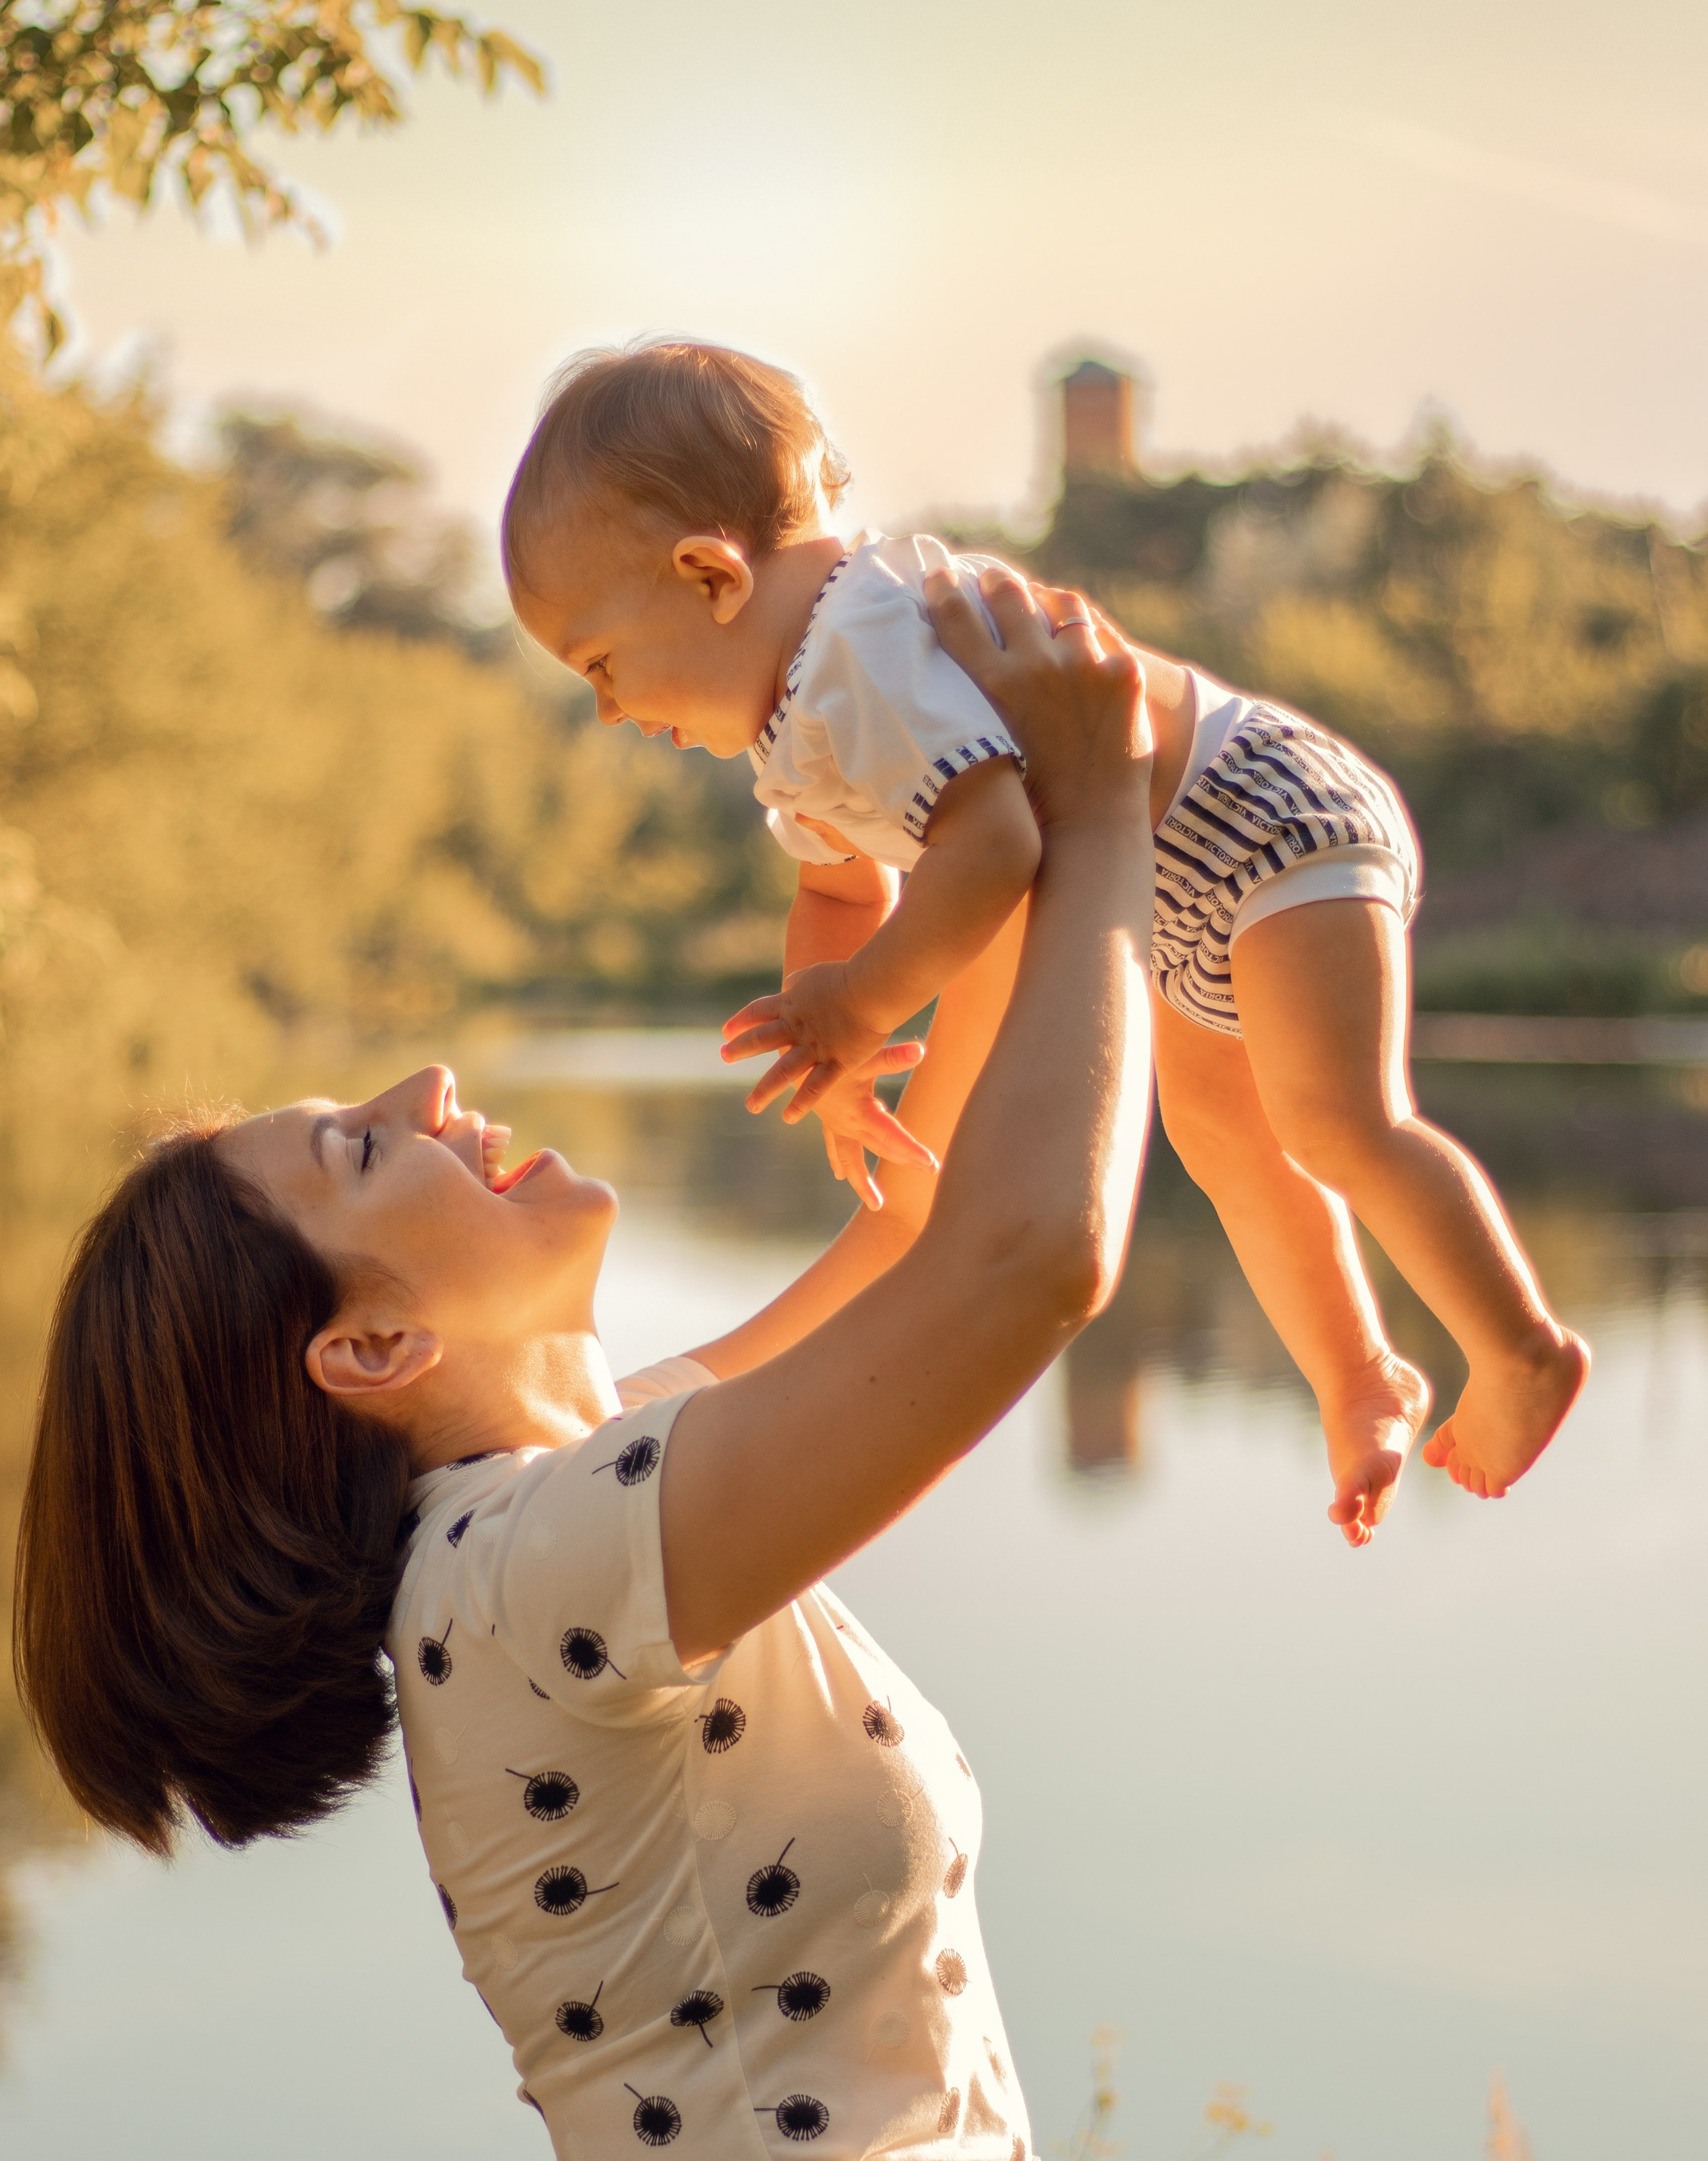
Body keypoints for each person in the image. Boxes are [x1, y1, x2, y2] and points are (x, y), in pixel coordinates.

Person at [16, 572, 1155, 2161]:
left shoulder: (547, 1525)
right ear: (363, 1352)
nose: (440, 1082)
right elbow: (1032, 1273)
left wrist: (923, 904)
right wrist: (1099, 831)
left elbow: (920, 1257)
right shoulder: (546, 1568)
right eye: (370, 1147)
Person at [502, 339, 1590, 1542]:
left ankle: (1520, 1346)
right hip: (1163, 889)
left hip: (1257, 815)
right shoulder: (797, 725)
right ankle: (1359, 1377)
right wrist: (840, 1043)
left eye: (604, 664)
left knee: (1333, 1119)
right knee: (1229, 1142)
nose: (609, 709)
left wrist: (859, 1009)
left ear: (710, 575)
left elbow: (997, 849)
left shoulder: (866, 645)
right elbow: (844, 898)